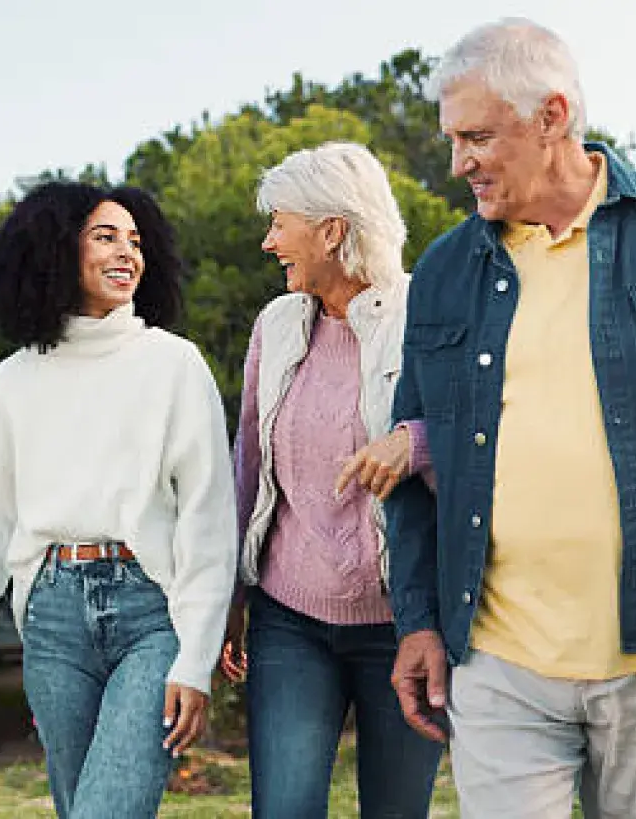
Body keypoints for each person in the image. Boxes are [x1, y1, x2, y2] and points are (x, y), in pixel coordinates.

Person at [385, 18, 636, 818]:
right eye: (452, 139)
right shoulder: (445, 270)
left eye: (476, 136)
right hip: (501, 661)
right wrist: (417, 620)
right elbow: (413, 454)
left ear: (552, 116)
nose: (458, 163)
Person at [0, 181, 237, 819]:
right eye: (105, 237)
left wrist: (195, 658)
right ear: (56, 251)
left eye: (136, 241)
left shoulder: (174, 365)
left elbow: (208, 520)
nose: (126, 253)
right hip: (52, 617)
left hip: (151, 611)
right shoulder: (15, 378)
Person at [219, 141, 442, 819]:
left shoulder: (426, 316)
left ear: (332, 229)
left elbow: (488, 430)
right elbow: (247, 465)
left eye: (279, 224)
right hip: (291, 619)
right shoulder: (277, 324)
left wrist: (416, 442)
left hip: (405, 621)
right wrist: (229, 591)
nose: (268, 242)